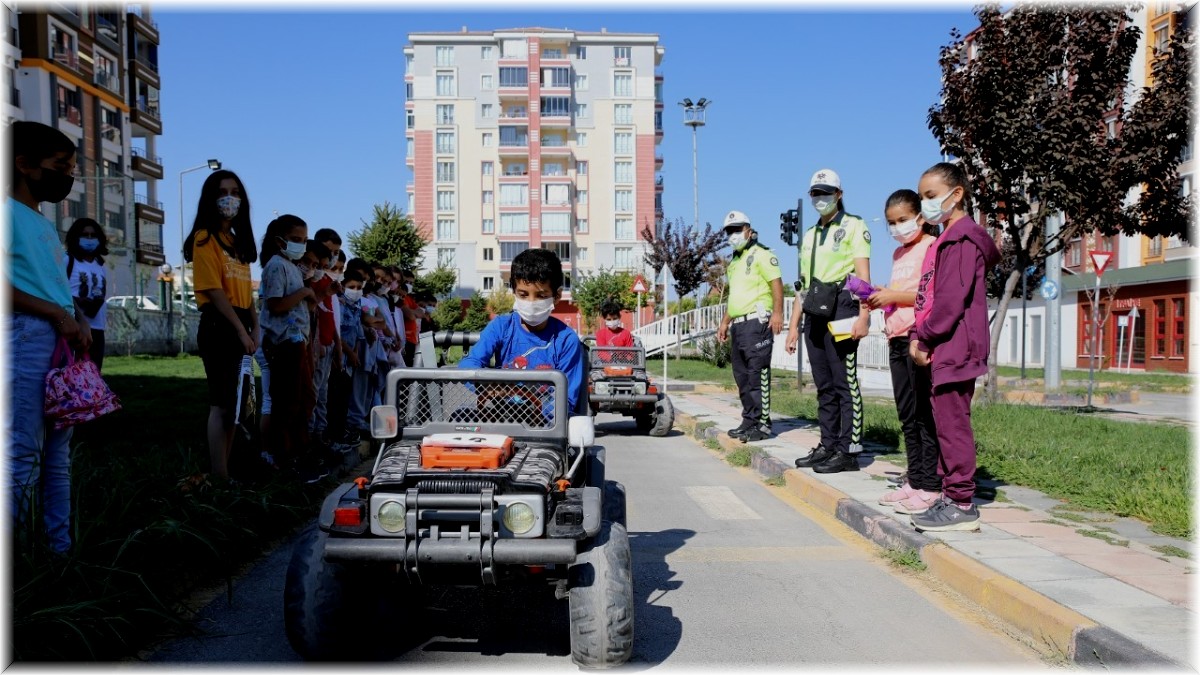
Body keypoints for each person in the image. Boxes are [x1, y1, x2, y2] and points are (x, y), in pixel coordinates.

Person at [6, 121, 91, 554]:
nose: (69, 176)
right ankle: (17, 564)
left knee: (57, 458)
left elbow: (50, 281)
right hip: (26, 339)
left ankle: (60, 552)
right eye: (60, 166)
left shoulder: (38, 219)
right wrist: (58, 316)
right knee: (23, 454)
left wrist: (75, 316)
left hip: (58, 340)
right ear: (23, 164)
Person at [907, 162, 1000, 533]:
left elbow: (949, 302)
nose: (926, 205)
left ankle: (961, 503)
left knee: (952, 424)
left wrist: (924, 337)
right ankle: (950, 496)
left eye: (931, 196)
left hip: (954, 346)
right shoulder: (950, 237)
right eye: (923, 197)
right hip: (947, 346)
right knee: (945, 423)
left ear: (956, 194)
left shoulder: (962, 239)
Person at [787, 168, 872, 474]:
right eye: (815, 193)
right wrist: (794, 326)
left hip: (843, 307)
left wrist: (864, 314)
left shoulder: (854, 226)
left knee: (844, 382)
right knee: (823, 383)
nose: (820, 198)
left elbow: (863, 277)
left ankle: (848, 450)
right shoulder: (809, 235)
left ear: (839, 194)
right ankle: (828, 444)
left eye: (826, 192)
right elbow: (803, 285)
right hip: (814, 311)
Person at [865, 190, 943, 515]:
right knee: (907, 415)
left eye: (902, 220)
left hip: (917, 337)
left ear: (920, 217)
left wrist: (895, 295)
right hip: (895, 337)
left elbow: (929, 293)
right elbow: (901, 293)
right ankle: (915, 478)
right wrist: (883, 295)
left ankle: (931, 485)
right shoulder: (898, 254)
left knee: (925, 415)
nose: (897, 227)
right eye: (891, 223)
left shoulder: (931, 247)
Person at [185, 169, 258, 482]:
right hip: (219, 324)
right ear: (211, 199)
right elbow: (215, 291)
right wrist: (240, 331)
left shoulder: (237, 243)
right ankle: (219, 476)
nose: (230, 198)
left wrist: (254, 326)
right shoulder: (205, 238)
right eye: (222, 191)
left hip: (241, 322)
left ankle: (224, 472)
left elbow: (246, 292)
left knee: (235, 404)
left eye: (235, 191)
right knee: (222, 403)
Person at [459, 248, 586, 419]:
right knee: (460, 417)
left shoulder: (566, 340)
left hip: (544, 425)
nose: (531, 303)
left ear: (556, 295)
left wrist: (534, 413)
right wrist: (488, 385)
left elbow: (567, 399)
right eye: (523, 295)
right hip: (501, 417)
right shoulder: (500, 327)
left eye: (541, 296)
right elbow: (469, 364)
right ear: (514, 293)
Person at [258, 215, 324, 482]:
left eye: (304, 240)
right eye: (296, 240)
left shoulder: (293, 267)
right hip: (283, 343)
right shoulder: (276, 266)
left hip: (299, 342)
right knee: (287, 403)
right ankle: (283, 459)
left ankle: (298, 452)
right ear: (280, 240)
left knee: (305, 399)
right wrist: (306, 294)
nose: (301, 245)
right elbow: (276, 304)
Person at [716, 211, 784, 443]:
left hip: (758, 322)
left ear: (748, 229)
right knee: (742, 376)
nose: (733, 235)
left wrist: (778, 313)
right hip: (739, 324)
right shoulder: (734, 262)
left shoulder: (762, 254)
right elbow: (736, 296)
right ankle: (749, 419)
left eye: (737, 229)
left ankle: (763, 424)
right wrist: (725, 321)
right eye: (729, 231)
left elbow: (776, 283)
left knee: (758, 374)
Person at [64, 217, 109, 370]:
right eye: (85, 235)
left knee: (94, 377)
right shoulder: (67, 260)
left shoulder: (100, 265)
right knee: (72, 374)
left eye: (93, 235)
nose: (89, 239)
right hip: (75, 328)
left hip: (97, 329)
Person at [339, 266, 374, 443]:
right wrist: (349, 353)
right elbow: (337, 334)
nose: (355, 291)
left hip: (352, 356)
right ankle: (336, 434)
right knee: (336, 397)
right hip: (340, 357)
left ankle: (346, 429)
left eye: (359, 288)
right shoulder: (339, 303)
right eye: (351, 287)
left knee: (347, 394)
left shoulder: (357, 306)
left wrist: (356, 352)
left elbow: (358, 331)